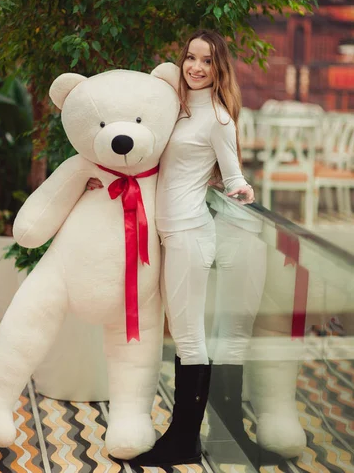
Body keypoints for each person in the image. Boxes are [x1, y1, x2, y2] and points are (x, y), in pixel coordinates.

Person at [87, 29, 254, 466]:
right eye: (191, 58)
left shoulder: (218, 118)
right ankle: (184, 438)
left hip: (189, 236)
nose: (196, 67)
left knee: (188, 338)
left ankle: (182, 442)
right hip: (166, 235)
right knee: (183, 336)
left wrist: (242, 190)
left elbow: (233, 174)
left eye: (207, 61)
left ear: (220, 68)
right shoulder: (176, 110)